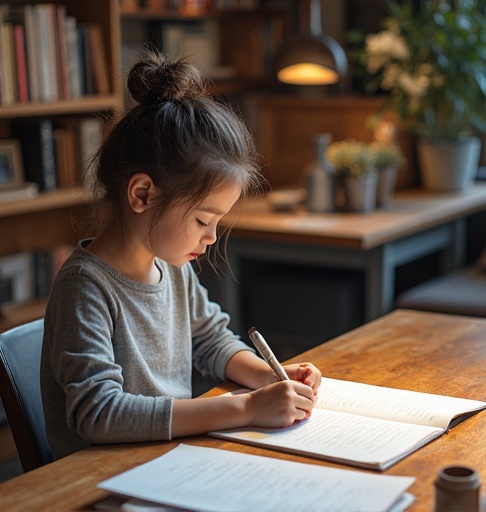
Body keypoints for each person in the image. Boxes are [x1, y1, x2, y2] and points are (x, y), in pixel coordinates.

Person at [40, 49, 322, 460]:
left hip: (167, 458)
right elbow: (97, 414)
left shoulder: (171, 268)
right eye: (203, 220)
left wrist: (267, 377)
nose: (210, 238)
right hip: (101, 475)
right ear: (142, 194)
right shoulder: (85, 288)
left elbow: (209, 341)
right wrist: (245, 407)